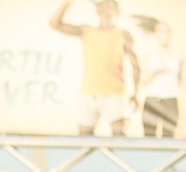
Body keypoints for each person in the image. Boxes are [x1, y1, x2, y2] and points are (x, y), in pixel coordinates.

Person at [50, 0, 140, 135]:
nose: (104, 5)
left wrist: (136, 93)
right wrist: (68, 2)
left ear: (116, 10)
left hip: (115, 92)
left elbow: (136, 66)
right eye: (102, 3)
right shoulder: (86, 30)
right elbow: (54, 24)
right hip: (88, 92)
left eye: (110, 3)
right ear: (97, 9)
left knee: (120, 135)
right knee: (84, 138)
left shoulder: (123, 34)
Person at [139, 18, 182, 136]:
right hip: (153, 99)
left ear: (171, 34)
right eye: (161, 32)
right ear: (155, 34)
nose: (164, 35)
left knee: (169, 135)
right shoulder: (148, 55)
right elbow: (143, 81)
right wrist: (154, 71)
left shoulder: (177, 57)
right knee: (149, 135)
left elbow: (181, 81)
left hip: (170, 99)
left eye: (166, 32)